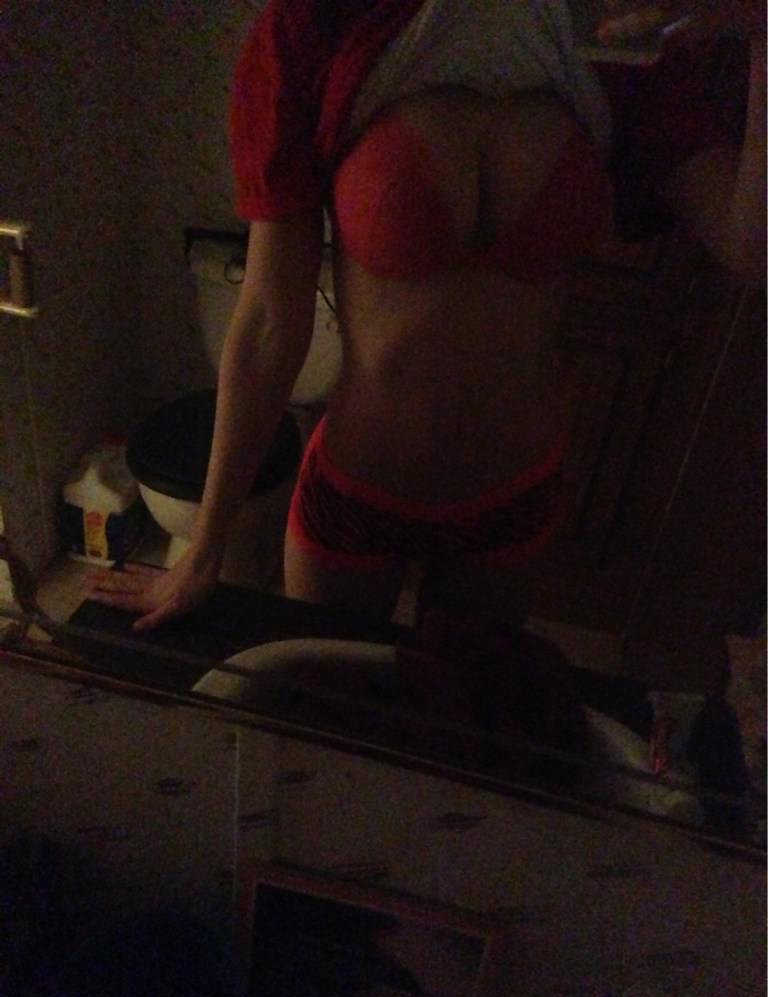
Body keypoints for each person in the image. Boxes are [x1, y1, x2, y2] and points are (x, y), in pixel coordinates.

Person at [86, 0, 765, 637]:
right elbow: (268, 320)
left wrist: (763, 27)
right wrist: (205, 550)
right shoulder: (320, 21)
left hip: (512, 499)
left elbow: (751, 249)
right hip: (359, 493)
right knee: (328, 709)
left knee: (462, 712)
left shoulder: (613, 27)